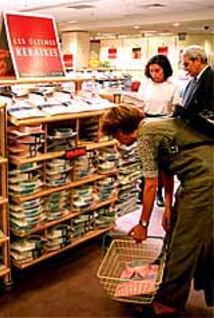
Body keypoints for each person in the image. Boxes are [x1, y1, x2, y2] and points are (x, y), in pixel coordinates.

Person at [102, 105, 213, 316]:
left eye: (115, 137)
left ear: (121, 130)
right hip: (197, 177)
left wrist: (142, 224)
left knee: (184, 243)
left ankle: (168, 303)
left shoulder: (144, 138)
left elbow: (151, 185)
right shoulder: (156, 126)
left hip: (205, 181)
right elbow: (166, 172)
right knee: (175, 230)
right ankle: (160, 278)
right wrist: (169, 207)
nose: (118, 143)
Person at [137, 54, 180, 207]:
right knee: (146, 161)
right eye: (152, 71)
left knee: (163, 164)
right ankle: (143, 191)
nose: (154, 74)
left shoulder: (173, 87)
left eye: (157, 71)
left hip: (164, 124)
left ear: (165, 70)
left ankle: (159, 194)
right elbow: (140, 104)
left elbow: (175, 109)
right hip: (146, 122)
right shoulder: (146, 85)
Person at [174, 45, 214, 136]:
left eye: (186, 64)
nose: (184, 68)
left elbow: (209, 113)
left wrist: (186, 114)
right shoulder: (192, 81)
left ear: (198, 60)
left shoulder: (211, 78)